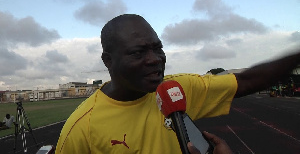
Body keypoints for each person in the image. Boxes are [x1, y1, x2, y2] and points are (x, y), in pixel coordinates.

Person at [55, 14, 300, 154]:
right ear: (108, 61)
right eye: (138, 52)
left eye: (157, 48)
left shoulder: (175, 89)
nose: (155, 60)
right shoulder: (81, 129)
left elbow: (246, 81)